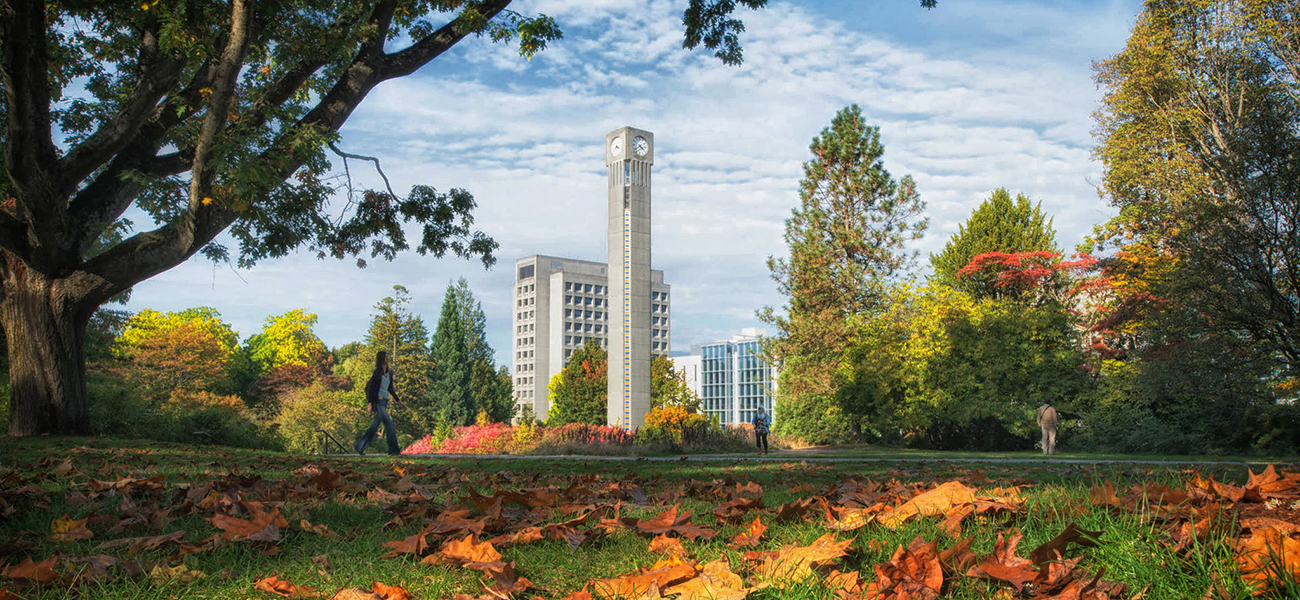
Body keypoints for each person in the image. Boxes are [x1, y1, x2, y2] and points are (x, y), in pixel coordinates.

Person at [355, 351, 404, 456]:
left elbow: (390, 389)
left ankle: (359, 446)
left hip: (385, 401)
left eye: (388, 357)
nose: (388, 359)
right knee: (389, 424)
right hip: (378, 402)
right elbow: (372, 389)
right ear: (382, 359)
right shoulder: (377, 373)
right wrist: (370, 404)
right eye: (386, 357)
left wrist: (399, 401)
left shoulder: (389, 373)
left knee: (374, 426)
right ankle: (394, 450)